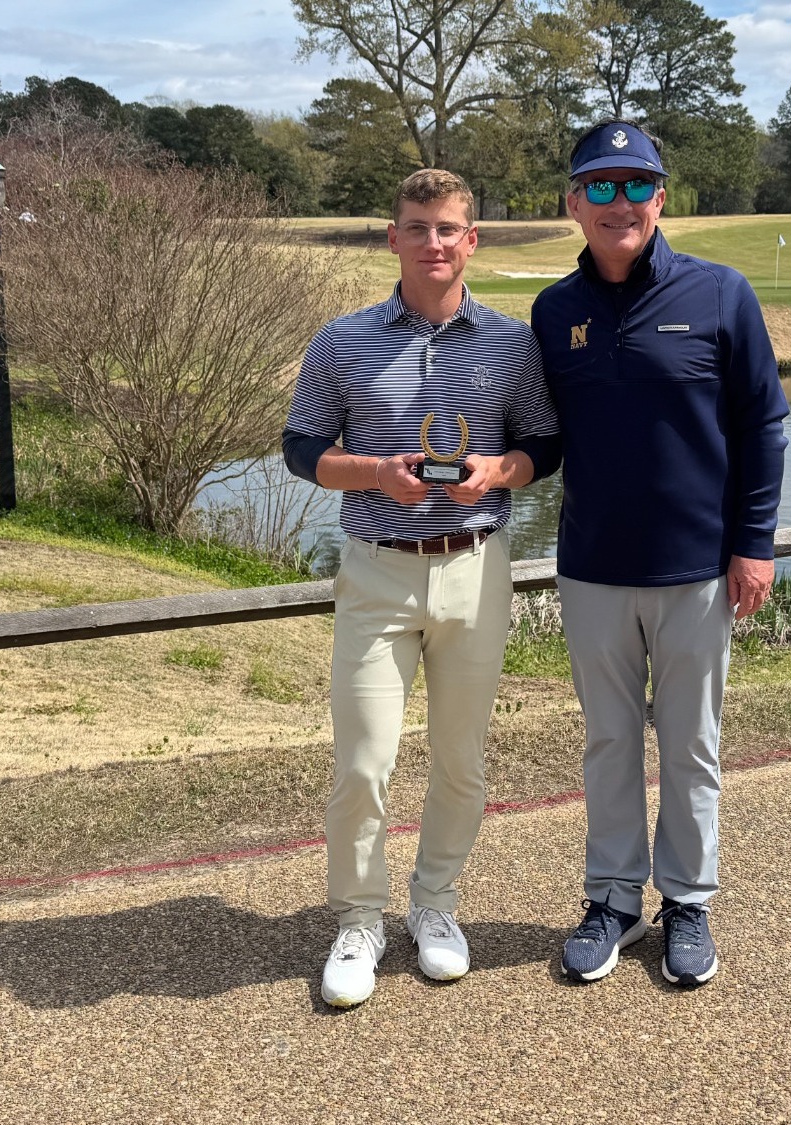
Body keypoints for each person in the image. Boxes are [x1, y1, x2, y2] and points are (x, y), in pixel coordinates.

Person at [282, 168, 562, 1008]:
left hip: (476, 568)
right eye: (417, 227)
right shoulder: (342, 341)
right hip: (377, 567)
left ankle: (434, 904)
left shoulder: (514, 343)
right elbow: (301, 450)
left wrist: (498, 469)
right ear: (393, 238)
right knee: (364, 760)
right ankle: (360, 917)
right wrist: (374, 471)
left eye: (448, 228)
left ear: (472, 240)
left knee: (461, 760)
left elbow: (543, 449)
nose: (433, 242)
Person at [530, 120, 789, 988]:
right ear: (573, 204)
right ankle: (612, 899)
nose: (619, 202)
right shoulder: (553, 312)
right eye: (598, 188)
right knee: (609, 743)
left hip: (698, 570)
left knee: (690, 746)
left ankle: (687, 900)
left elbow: (765, 426)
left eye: (634, 184)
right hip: (593, 566)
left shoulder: (721, 293)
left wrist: (753, 543)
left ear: (661, 197)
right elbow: (543, 438)